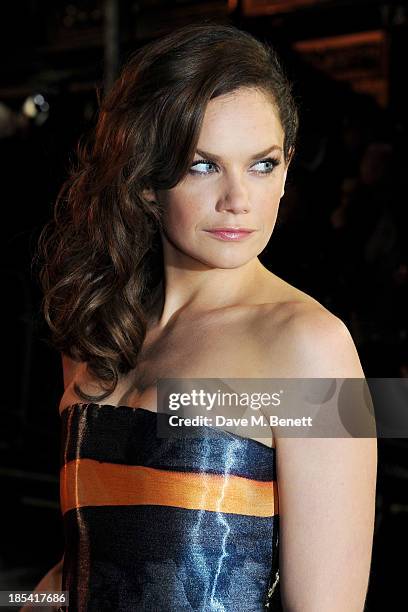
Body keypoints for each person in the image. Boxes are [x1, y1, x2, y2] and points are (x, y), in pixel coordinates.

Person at [31, 22, 377, 611]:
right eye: (202, 165)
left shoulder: (311, 347)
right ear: (145, 182)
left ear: (289, 167)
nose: (238, 198)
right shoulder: (99, 332)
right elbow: (82, 571)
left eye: (262, 164)